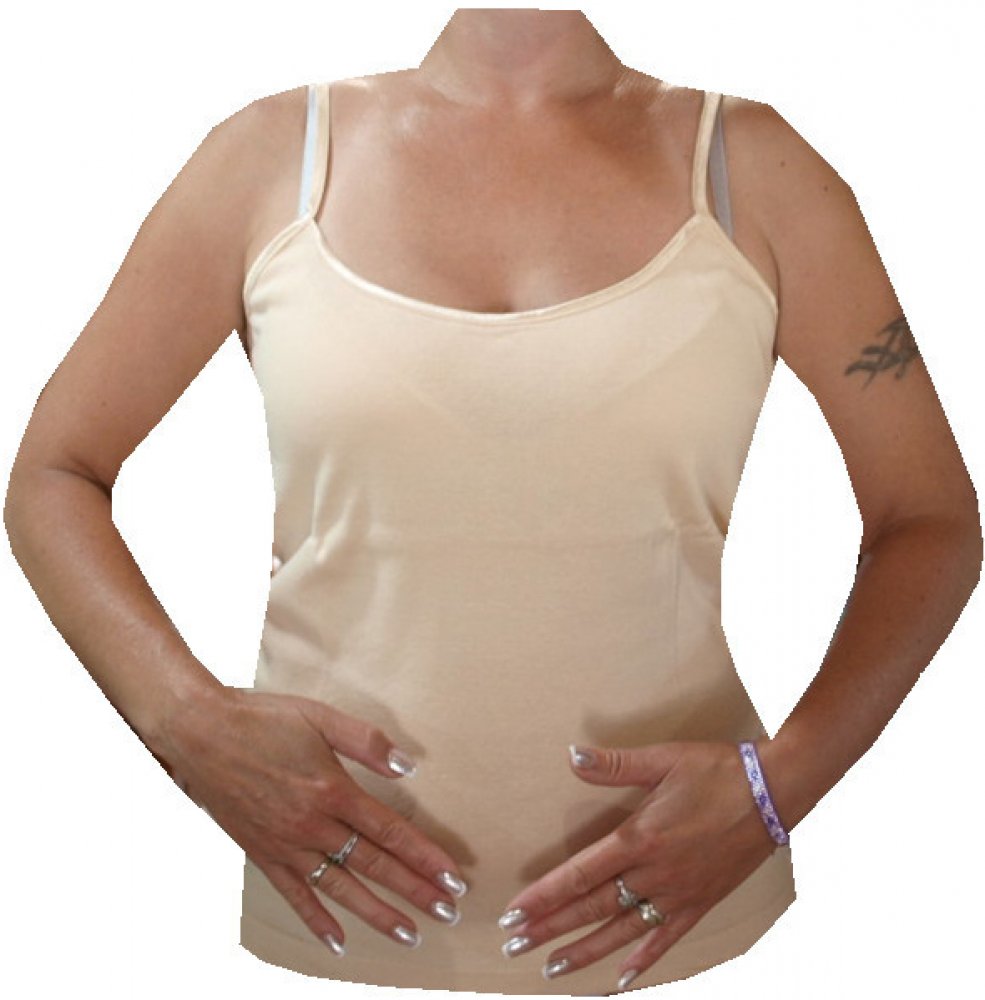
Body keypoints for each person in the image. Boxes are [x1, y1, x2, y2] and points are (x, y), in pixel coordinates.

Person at [4, 7, 981, 997]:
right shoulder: (270, 158)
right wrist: (184, 721)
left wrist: (779, 788)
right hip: (330, 925)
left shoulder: (757, 171)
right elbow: (55, 472)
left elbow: (929, 519)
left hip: (682, 937)